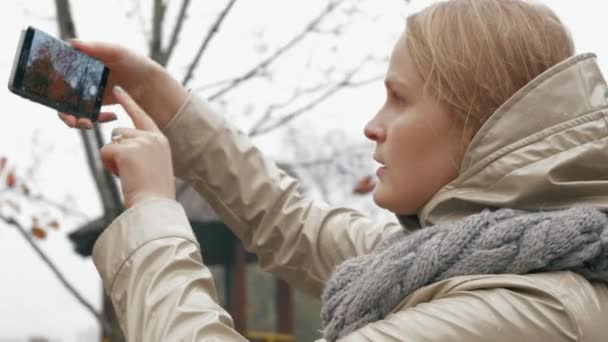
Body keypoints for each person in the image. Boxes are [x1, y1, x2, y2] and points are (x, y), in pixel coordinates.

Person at [58, 0, 608, 341]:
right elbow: (292, 224)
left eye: (398, 98)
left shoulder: (531, 311)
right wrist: (158, 93)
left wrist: (154, 213)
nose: (374, 125)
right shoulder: (476, 260)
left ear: (479, 123)